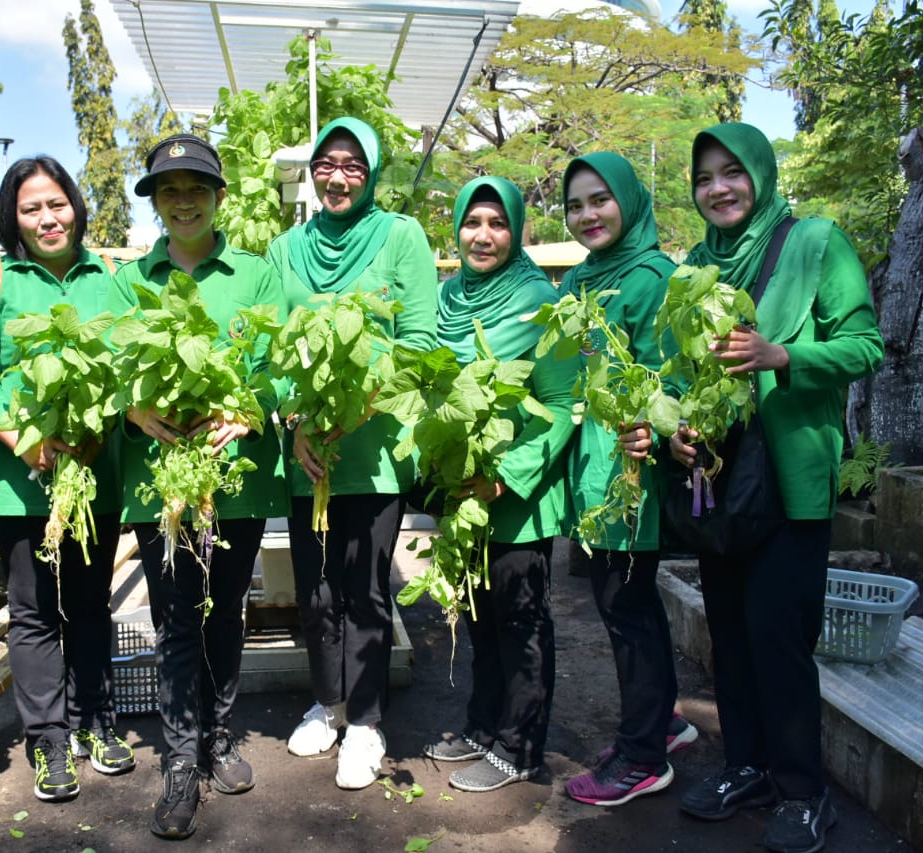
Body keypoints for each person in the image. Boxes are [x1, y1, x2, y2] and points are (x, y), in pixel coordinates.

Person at [669, 122, 883, 853]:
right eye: (704, 178)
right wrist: (677, 427)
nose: (718, 188)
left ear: (759, 173)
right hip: (724, 481)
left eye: (732, 172)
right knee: (728, 636)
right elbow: (680, 373)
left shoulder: (816, 242)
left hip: (791, 481)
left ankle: (804, 789)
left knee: (778, 636)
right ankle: (746, 766)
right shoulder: (696, 262)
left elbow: (864, 345)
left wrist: (779, 354)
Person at [112, 133, 289, 839]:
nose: (182, 199)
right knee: (177, 617)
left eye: (196, 186)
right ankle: (181, 760)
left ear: (219, 196)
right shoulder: (132, 279)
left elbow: (280, 362)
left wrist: (247, 406)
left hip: (235, 478)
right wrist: (132, 403)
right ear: (156, 201)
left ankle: (218, 737)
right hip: (163, 481)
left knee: (225, 612)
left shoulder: (255, 274)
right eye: (168, 189)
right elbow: (112, 359)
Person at [0, 156, 135, 804]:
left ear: (76, 206)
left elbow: (129, 362)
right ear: (13, 216)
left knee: (90, 604)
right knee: (32, 612)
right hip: (19, 482)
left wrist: (98, 425)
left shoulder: (111, 275)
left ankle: (98, 721)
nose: (47, 217)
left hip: (95, 475)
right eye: (31, 207)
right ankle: (48, 738)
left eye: (56, 203)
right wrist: (23, 439)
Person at [265, 117, 438, 790]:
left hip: (373, 449)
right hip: (308, 451)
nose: (337, 177)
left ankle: (366, 721)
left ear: (371, 173)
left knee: (365, 588)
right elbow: (275, 345)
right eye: (326, 164)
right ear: (313, 171)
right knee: (316, 589)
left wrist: (356, 411)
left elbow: (418, 340)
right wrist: (298, 417)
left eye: (353, 165)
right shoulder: (287, 248)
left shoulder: (401, 237)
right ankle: (329, 702)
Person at [420, 176, 576, 791]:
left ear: (517, 232)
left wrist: (504, 477)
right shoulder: (445, 298)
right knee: (478, 613)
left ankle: (519, 746)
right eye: (472, 223)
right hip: (460, 491)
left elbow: (563, 404)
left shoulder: (540, 299)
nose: (483, 236)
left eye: (498, 224)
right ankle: (482, 726)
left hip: (517, 497)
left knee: (520, 618)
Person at [557, 153, 698, 807]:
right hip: (590, 469)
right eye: (576, 204)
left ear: (631, 202)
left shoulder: (653, 277)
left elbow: (674, 377)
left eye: (600, 200)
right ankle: (662, 723)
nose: (587, 214)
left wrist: (652, 417)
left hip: (629, 475)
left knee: (628, 606)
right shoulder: (580, 280)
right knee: (621, 606)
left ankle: (643, 758)